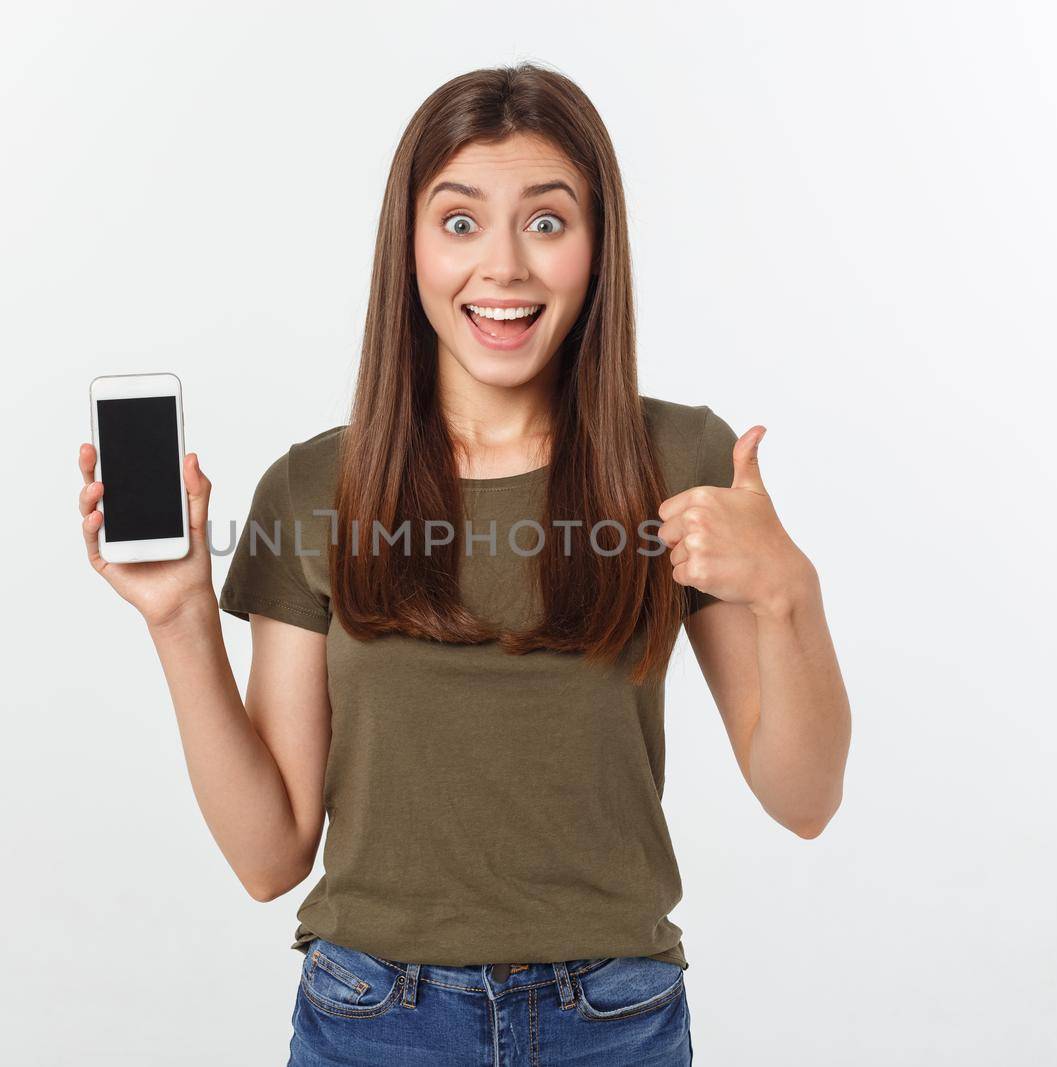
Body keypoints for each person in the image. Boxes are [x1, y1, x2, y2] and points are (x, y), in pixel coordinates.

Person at [76, 62, 851, 1067]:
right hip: (371, 1016)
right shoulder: (312, 490)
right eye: (457, 222)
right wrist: (178, 617)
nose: (504, 269)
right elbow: (270, 858)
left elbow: (804, 797)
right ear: (407, 247)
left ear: (598, 244)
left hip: (613, 1017)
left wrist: (789, 588)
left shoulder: (680, 465)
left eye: (545, 221)